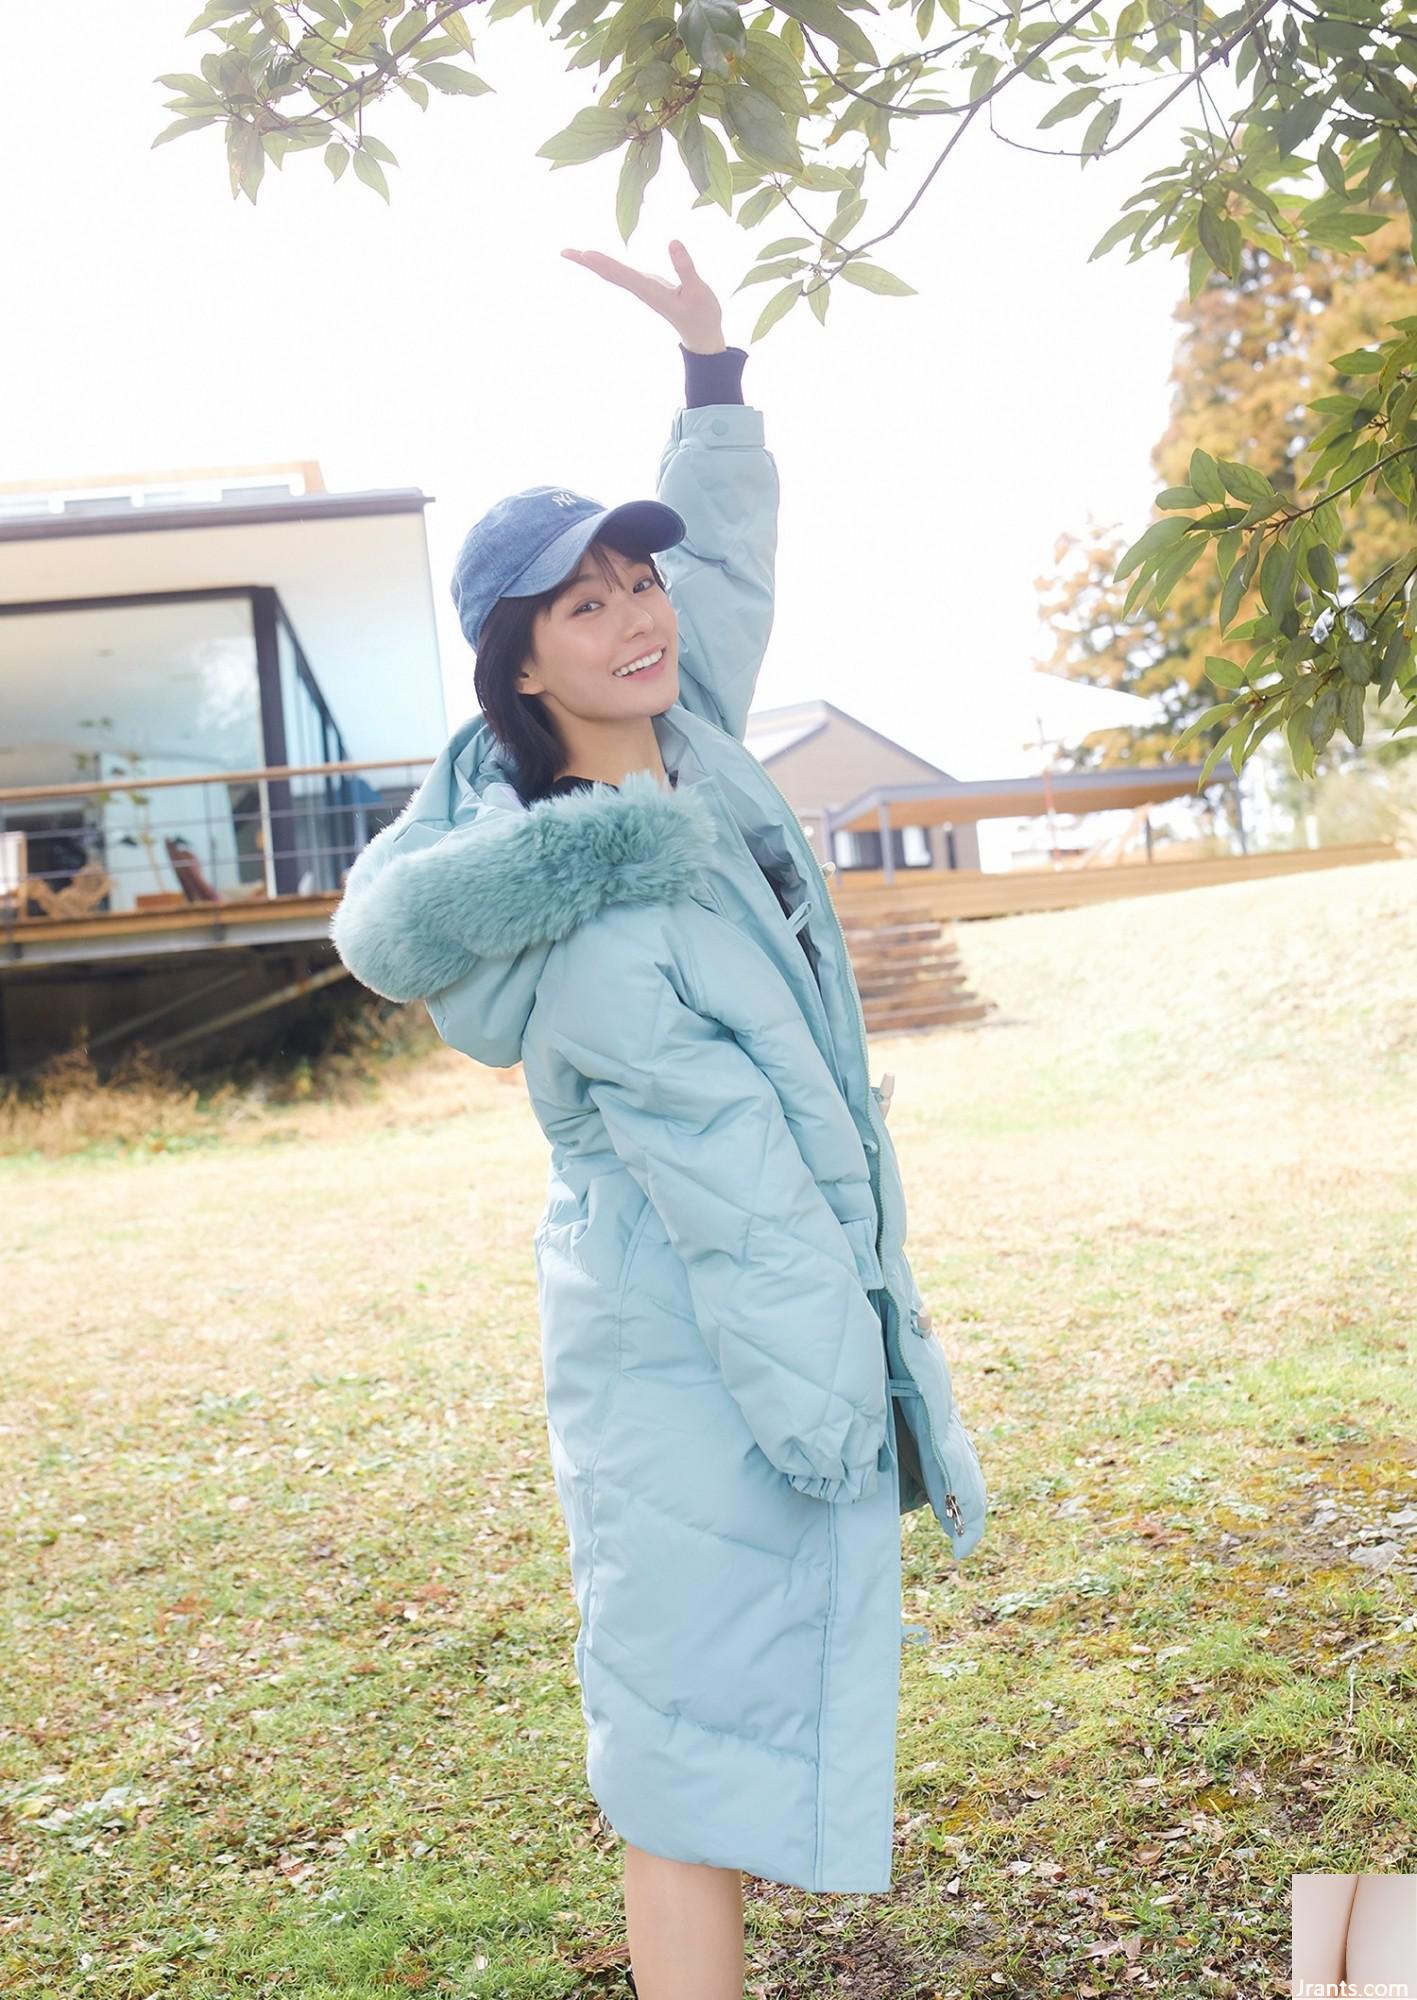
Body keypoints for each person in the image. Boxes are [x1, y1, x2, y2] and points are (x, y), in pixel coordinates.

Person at [329, 239, 987, 2000]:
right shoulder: (601, 896)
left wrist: (712, 379)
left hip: (729, 1303)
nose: (639, 623)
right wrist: (835, 1394)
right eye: (585, 607)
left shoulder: (688, 749)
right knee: (688, 1740)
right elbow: (730, 1190)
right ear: (518, 662)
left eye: (640, 588)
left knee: (714, 1706)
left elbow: (735, 565)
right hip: (691, 1328)